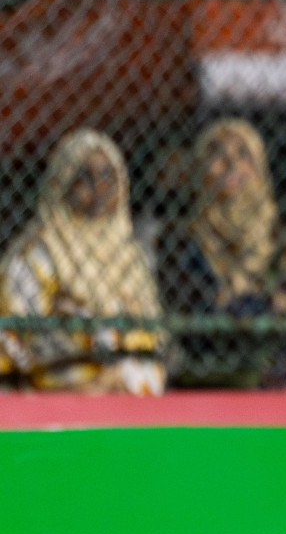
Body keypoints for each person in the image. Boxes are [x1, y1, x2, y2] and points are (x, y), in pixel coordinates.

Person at [0, 129, 165, 394]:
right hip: (59, 389)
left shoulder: (130, 253)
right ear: (61, 184)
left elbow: (150, 336)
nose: (98, 187)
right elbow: (12, 338)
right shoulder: (38, 253)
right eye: (83, 177)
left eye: (106, 176)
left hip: (128, 389)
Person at [159, 118, 286, 387]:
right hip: (211, 372)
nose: (231, 164)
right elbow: (200, 316)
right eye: (217, 153)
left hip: (280, 371)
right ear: (200, 169)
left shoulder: (278, 234)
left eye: (243, 154)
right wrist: (268, 303)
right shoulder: (181, 238)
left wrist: (238, 300)